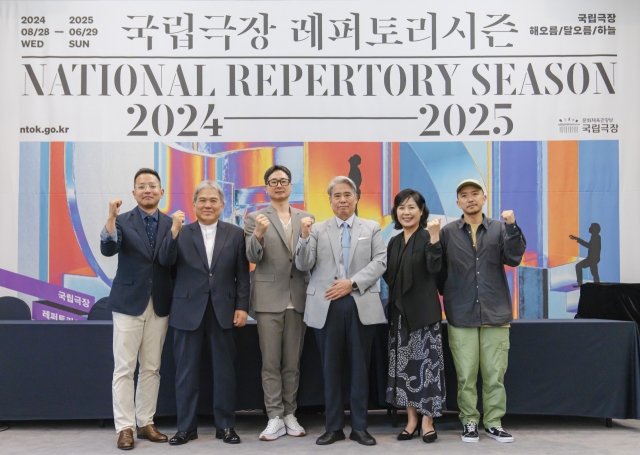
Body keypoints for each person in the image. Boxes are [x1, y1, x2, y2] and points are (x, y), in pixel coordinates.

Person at [295, 176, 386, 446]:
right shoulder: (317, 229)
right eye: (337, 196)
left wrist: (352, 283)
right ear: (330, 200)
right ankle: (333, 426)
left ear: (356, 197)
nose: (342, 200)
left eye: (347, 194)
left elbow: (380, 261)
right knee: (330, 368)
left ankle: (359, 427)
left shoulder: (371, 227)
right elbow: (303, 264)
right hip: (326, 304)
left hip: (359, 301)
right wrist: (303, 236)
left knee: (360, 368)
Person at [158, 181, 250, 446]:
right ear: (194, 204)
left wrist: (242, 306)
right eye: (202, 200)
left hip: (224, 310)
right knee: (186, 372)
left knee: (224, 372)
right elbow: (165, 261)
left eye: (213, 200)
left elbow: (242, 275)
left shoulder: (235, 234)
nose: (208, 205)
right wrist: (173, 232)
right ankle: (186, 428)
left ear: (222, 205)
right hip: (187, 311)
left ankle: (226, 426)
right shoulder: (180, 232)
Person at [438, 179, 526, 444]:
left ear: (484, 198)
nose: (470, 199)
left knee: (494, 375)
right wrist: (452, 293)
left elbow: (513, 258)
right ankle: (469, 422)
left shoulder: (501, 228)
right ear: (458, 203)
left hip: (495, 312)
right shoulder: (447, 232)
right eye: (464, 195)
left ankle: (494, 422)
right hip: (461, 313)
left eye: (475, 194)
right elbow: (438, 270)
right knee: (465, 375)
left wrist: (512, 227)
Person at [100, 168, 175, 450]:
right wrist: (109, 216)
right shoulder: (120, 221)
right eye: (141, 186)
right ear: (134, 193)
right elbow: (108, 249)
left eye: (152, 186)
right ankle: (125, 427)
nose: (147, 190)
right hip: (128, 303)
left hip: (161, 304)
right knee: (124, 368)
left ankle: (146, 422)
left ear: (161, 192)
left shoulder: (171, 223)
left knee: (152, 368)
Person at [244, 165, 312, 441]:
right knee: (270, 362)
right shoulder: (255, 218)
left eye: (283, 180)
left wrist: (307, 236)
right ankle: (274, 416)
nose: (279, 185)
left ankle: (290, 414)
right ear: (266, 187)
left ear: (291, 185)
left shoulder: (306, 217)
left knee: (292, 363)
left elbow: (308, 260)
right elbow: (251, 255)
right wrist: (258, 234)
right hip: (268, 299)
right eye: (273, 181)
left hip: (298, 298)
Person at [383, 189, 445, 444]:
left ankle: (428, 422)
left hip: (425, 315)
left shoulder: (428, 236)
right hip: (400, 317)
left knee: (427, 370)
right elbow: (389, 277)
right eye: (401, 207)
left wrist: (434, 238)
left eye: (411, 207)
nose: (406, 212)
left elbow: (435, 267)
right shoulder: (394, 241)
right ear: (396, 212)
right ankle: (411, 420)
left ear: (421, 211)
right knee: (405, 369)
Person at [569, 222, 601, 287]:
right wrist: (577, 239)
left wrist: (577, 239)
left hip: (593, 259)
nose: (589, 228)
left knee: (594, 273)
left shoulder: (596, 237)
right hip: (591, 259)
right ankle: (580, 283)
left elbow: (589, 246)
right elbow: (590, 246)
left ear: (594, 229)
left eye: (591, 227)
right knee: (580, 267)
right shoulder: (595, 237)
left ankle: (597, 286)